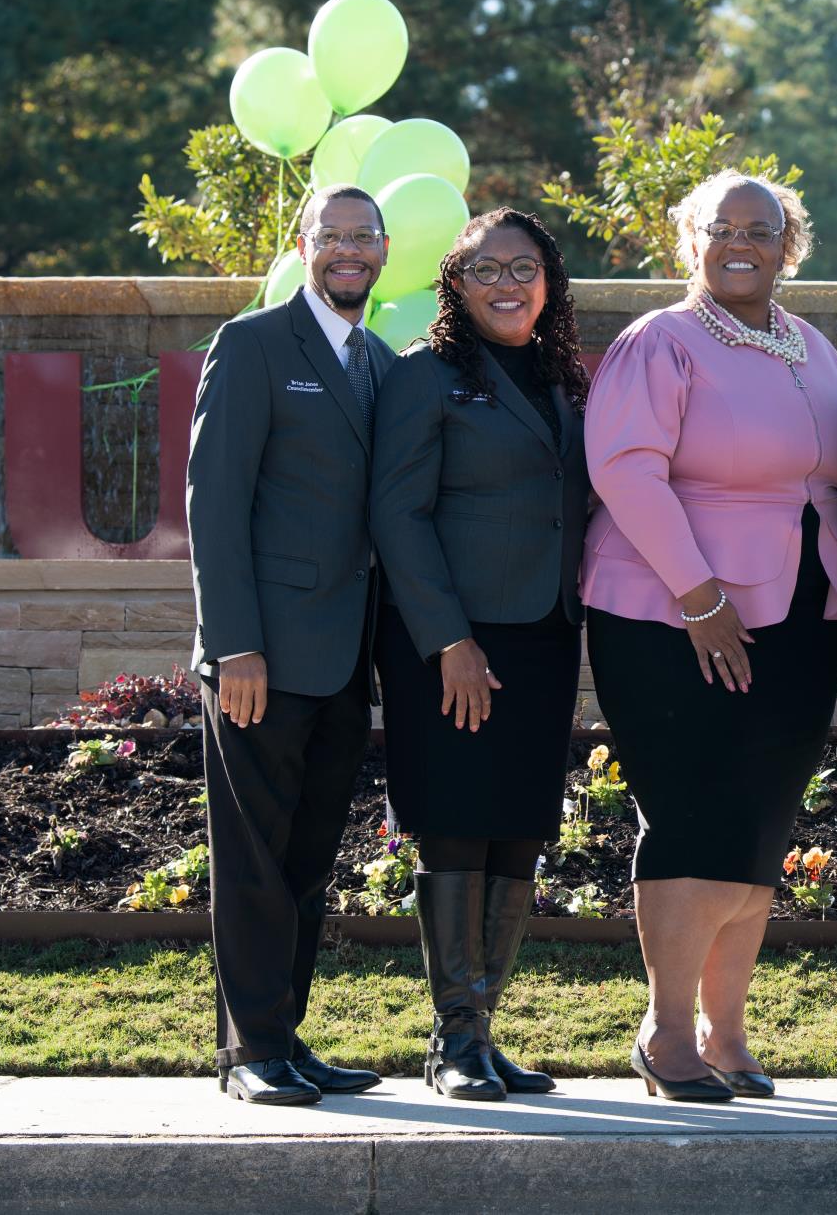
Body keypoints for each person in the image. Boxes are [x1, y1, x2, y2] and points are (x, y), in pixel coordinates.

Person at [582, 171, 837, 1103]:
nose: (742, 242)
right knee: (695, 813)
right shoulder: (659, 342)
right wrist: (700, 597)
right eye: (721, 227)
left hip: (803, 614)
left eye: (762, 229)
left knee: (758, 820)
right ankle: (665, 1035)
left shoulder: (811, 346)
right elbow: (625, 469)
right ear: (689, 241)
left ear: (790, 245)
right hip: (673, 613)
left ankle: (726, 1032)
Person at [370, 208, 591, 1101]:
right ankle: (451, 1040)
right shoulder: (426, 376)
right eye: (486, 268)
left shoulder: (561, 376)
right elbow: (398, 514)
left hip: (543, 632)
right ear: (455, 284)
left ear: (550, 279)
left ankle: (485, 1033)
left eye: (525, 267)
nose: (508, 283)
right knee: (458, 822)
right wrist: (447, 641)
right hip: (453, 637)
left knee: (519, 829)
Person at [187, 184, 395, 1105]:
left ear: (384, 251)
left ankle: (286, 1037)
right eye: (333, 235)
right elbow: (214, 504)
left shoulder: (383, 361)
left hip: (347, 660)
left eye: (365, 236)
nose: (349, 249)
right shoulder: (254, 344)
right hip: (260, 660)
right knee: (255, 859)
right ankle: (247, 1051)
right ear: (303, 244)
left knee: (308, 860)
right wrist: (234, 644)